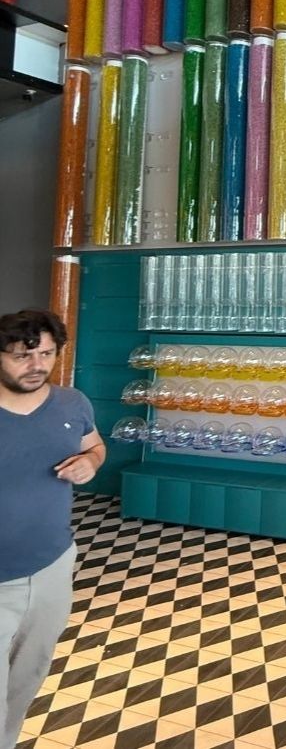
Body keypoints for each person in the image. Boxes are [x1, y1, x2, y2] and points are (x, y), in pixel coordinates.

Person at [0, 309, 105, 749]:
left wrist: (90, 462)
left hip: (51, 568)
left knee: (27, 677)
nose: (36, 365)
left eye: (46, 354)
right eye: (22, 356)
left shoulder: (72, 403)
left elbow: (95, 445)